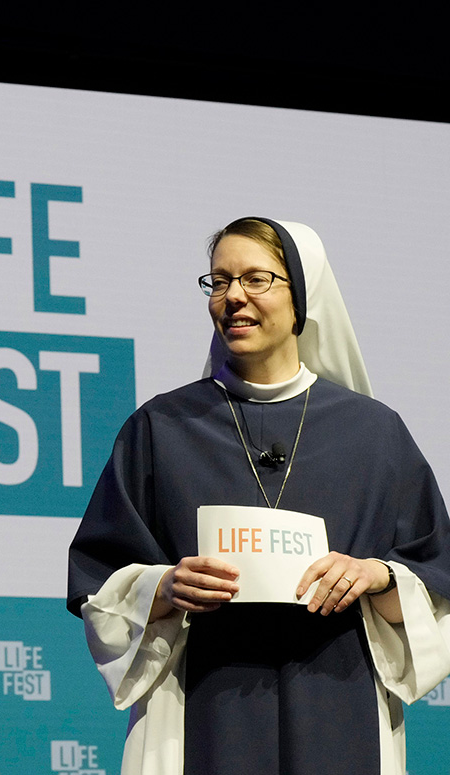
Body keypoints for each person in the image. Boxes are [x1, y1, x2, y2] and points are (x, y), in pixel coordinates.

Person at [67, 217, 450, 775]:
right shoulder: (163, 427)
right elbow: (98, 580)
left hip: (340, 701)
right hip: (198, 706)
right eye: (218, 282)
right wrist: (164, 585)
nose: (233, 298)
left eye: (256, 279)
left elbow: (436, 587)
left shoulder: (374, 434)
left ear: (303, 296)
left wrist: (377, 576)